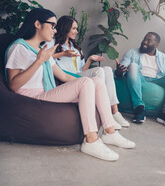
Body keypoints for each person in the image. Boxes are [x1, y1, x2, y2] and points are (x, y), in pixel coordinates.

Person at [5, 8, 135, 162]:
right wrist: (39, 61)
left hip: (45, 92)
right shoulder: (19, 48)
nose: (55, 30)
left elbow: (63, 76)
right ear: (37, 24)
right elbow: (13, 85)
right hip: (30, 98)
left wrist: (87, 84)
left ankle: (110, 132)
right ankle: (91, 140)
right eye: (52, 25)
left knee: (96, 82)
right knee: (86, 82)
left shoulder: (43, 50)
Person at [50, 15, 129, 128]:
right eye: (73, 28)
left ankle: (115, 111)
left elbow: (82, 71)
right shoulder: (53, 43)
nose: (76, 31)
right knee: (98, 71)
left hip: (78, 76)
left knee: (106, 69)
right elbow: (45, 57)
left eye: (77, 28)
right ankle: (102, 112)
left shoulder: (75, 46)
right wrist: (63, 54)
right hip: (66, 78)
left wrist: (90, 59)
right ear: (65, 28)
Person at [115, 32, 165, 128]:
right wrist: (119, 71)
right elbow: (122, 69)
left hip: (157, 81)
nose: (144, 42)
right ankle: (139, 108)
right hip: (138, 79)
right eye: (144, 39)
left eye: (148, 40)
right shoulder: (132, 52)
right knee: (133, 66)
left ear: (156, 44)